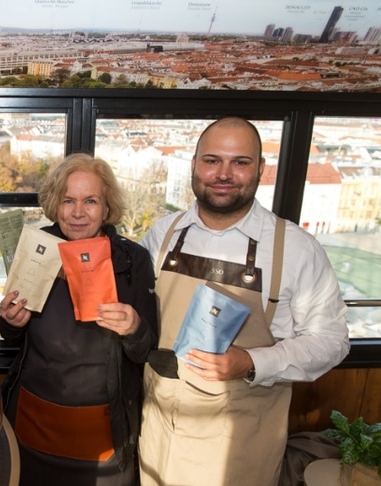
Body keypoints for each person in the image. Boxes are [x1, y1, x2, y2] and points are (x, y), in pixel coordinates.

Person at [138, 116, 350, 486]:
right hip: (158, 430)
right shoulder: (163, 234)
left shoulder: (296, 249)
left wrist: (252, 361)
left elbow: (332, 340)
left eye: (240, 162)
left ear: (260, 169)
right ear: (194, 165)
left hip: (239, 443)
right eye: (212, 160)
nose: (224, 173)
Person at [0, 153, 157, 486]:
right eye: (68, 200)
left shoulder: (133, 261)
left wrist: (134, 328)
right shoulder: (36, 250)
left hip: (102, 434)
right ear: (56, 204)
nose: (78, 212)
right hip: (33, 424)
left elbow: (146, 350)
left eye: (90, 201)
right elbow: (12, 336)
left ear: (107, 207)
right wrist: (11, 321)